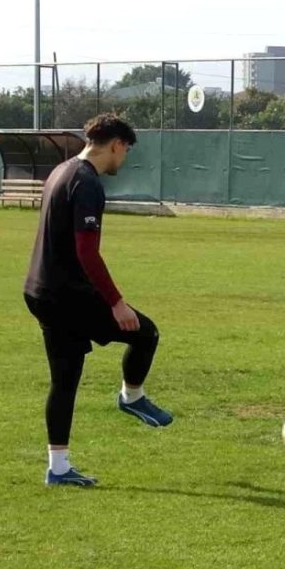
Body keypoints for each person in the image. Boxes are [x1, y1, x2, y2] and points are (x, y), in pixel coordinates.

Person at [23, 113, 172, 487]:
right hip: (67, 295)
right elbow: (87, 253)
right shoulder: (87, 182)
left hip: (40, 290)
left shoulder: (61, 171)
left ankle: (58, 468)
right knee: (144, 333)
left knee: (65, 379)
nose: (123, 161)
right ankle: (132, 397)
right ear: (117, 145)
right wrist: (116, 303)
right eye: (125, 153)